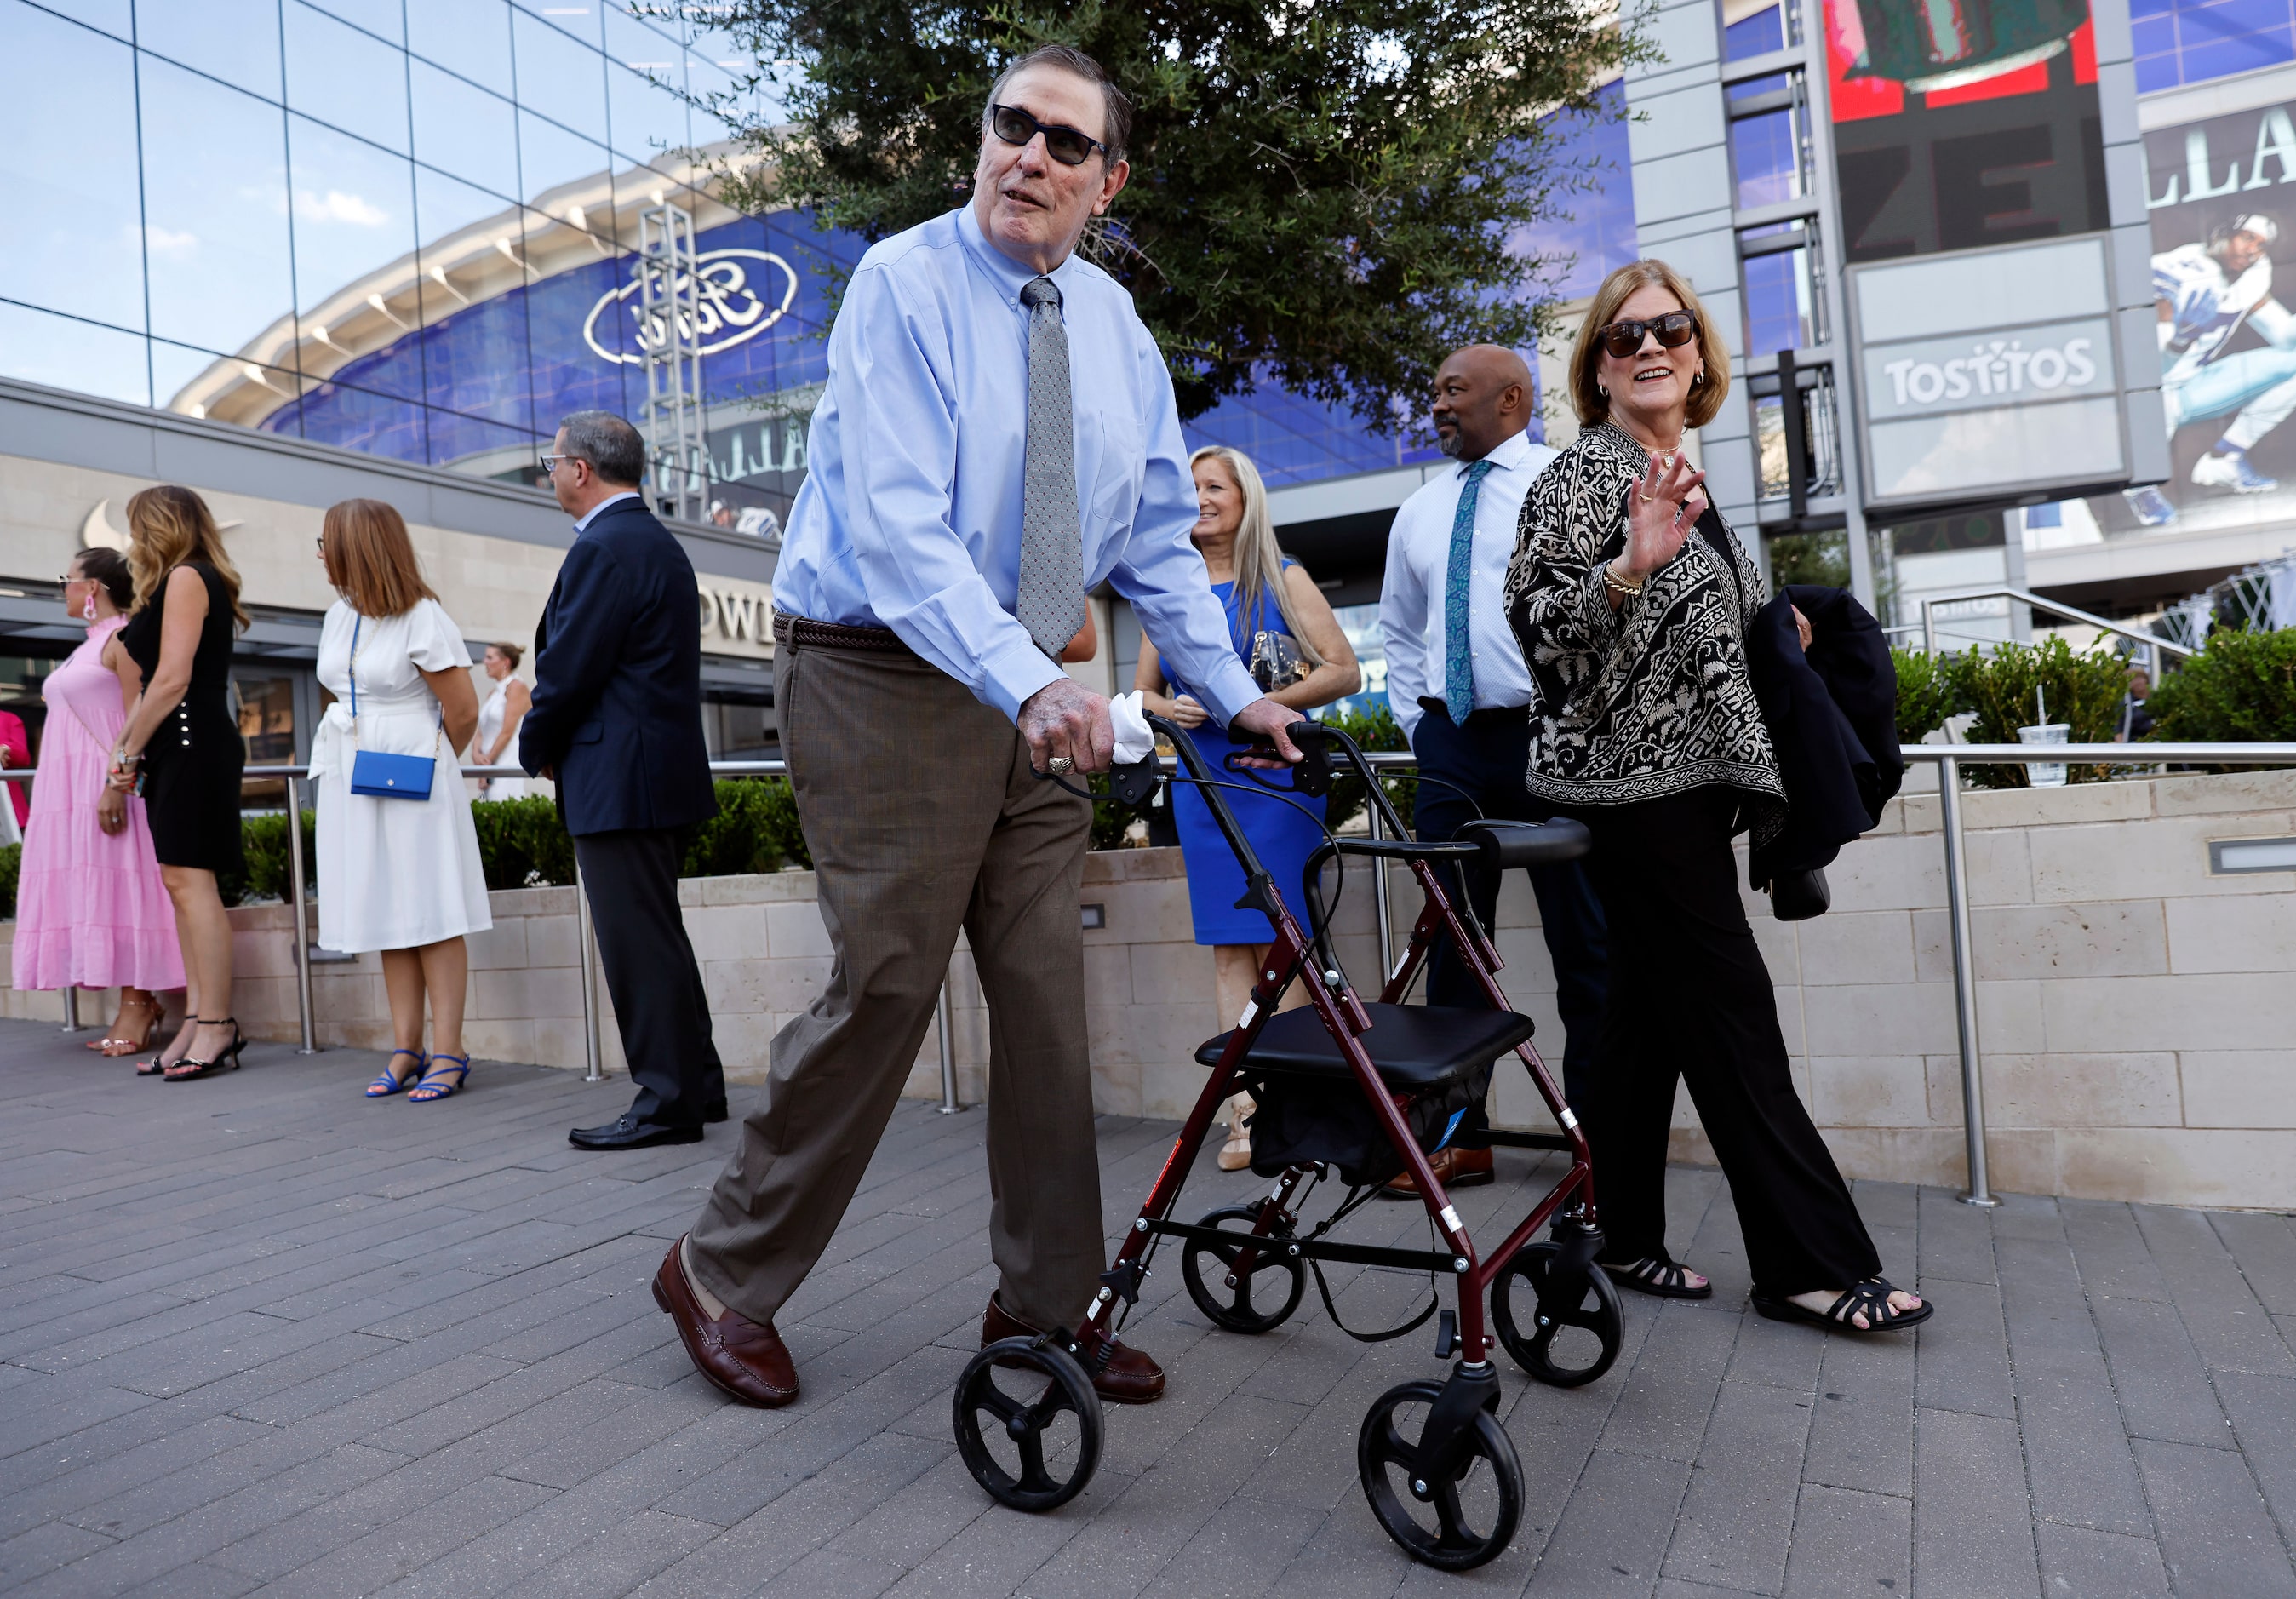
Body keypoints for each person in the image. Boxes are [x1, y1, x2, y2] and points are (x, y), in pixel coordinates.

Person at [651, 44, 1306, 1413]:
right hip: (884, 673)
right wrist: (1033, 682)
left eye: (1067, 145)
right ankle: (720, 1272)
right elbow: (897, 529)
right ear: (982, 137)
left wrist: (1235, 687)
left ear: (1105, 181)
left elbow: (1151, 540)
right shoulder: (902, 284)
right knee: (887, 985)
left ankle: (1043, 1305)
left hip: (1031, 692)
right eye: (1014, 125)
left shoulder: (1118, 328)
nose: (1032, 156)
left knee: (1045, 1010)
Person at [1505, 260, 1931, 1332]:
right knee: (1733, 1020)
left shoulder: (1684, 477)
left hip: (1690, 792)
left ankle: (1605, 1239)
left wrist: (1769, 639)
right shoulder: (1580, 475)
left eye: (1671, 330)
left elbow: (1703, 642)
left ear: (1698, 356)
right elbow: (1538, 633)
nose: (1650, 347)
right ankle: (1806, 1264)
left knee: (1641, 1022)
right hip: (1632, 795)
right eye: (1623, 337)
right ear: (1595, 369)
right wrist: (1625, 571)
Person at [1376, 344, 1612, 1199]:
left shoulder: (1569, 483)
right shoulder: (1421, 509)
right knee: (1452, 946)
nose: (1436, 406)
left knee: (1586, 946)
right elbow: (1400, 630)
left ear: (1510, 399)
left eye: (1452, 391)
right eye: (1433, 391)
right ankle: (1456, 1137)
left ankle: (1602, 1150)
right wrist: (1419, 720)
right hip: (1451, 747)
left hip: (1551, 741)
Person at [1136, 444, 1360, 1171]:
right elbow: (1142, 693)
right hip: (1205, 790)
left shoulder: (1282, 576)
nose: (1200, 498)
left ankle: (1292, 1116)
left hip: (1276, 783)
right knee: (1230, 949)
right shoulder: (1166, 591)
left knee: (1283, 944)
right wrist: (1173, 709)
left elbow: (1343, 670)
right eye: (1190, 487)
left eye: (1213, 486)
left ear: (1244, 498)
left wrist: (1254, 708)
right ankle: (1247, 1119)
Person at [521, 411, 729, 1150]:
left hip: (620, 781)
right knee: (657, 941)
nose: (548, 475)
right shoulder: (650, 540)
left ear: (579, 469)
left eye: (551, 463)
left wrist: (534, 744)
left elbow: (568, 671)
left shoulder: (606, 547)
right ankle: (693, 1088)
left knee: (639, 949)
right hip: (648, 774)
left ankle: (667, 1103)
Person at [310, 499, 493, 1102]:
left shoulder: (423, 615)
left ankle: (450, 1050)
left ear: (356, 547)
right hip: (353, 768)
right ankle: (406, 1046)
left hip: (413, 769)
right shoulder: (339, 615)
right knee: (385, 908)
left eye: (326, 539)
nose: (318, 550)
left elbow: (463, 712)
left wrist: (430, 763)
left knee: (432, 910)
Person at [12, 546, 185, 1054]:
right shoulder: (84, 646)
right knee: (94, 889)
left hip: (110, 784)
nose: (61, 587)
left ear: (92, 589)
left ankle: (138, 1002)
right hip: (66, 791)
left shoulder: (121, 639)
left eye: (68, 579)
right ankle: (132, 1003)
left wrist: (116, 781)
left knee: (124, 886)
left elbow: (140, 713)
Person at [106, 484, 248, 1082]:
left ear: (158, 525)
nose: (131, 539)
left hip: (192, 741)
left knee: (194, 885)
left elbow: (170, 680)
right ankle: (197, 1018)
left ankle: (216, 1024)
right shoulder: (177, 581)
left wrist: (127, 749)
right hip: (177, 746)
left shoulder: (190, 577)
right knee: (180, 884)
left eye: (137, 526)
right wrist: (134, 750)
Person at [2125, 215, 2296, 525]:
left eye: (2261, 244)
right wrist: (2181, 339)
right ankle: (2140, 486)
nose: (2253, 250)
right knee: (2158, 396)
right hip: (2144, 395)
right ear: (2222, 235)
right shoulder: (2174, 269)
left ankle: (2225, 459)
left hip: (2192, 386)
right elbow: (2144, 369)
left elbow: (2286, 336)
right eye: (2248, 238)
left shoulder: (2251, 277)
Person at [472, 643, 531, 799]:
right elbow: (481, 731)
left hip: (505, 763)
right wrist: (476, 753)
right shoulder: (493, 693)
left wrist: (487, 764)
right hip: (489, 765)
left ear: (506, 662)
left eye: (490, 657)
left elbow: (507, 731)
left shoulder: (516, 688)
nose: (485, 662)